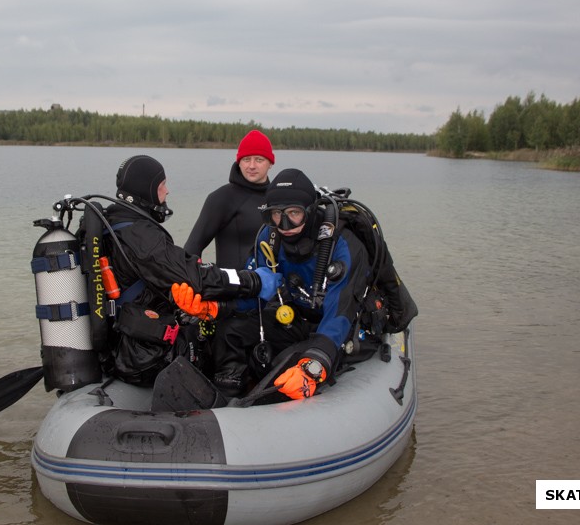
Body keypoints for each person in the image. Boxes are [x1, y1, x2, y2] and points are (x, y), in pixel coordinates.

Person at [172, 168, 417, 401]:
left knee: (290, 359)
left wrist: (315, 363)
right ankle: (228, 395)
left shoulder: (342, 245)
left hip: (347, 327)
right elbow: (259, 290)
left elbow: (339, 312)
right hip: (298, 319)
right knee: (230, 329)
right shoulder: (269, 240)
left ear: (310, 211)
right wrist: (216, 308)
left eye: (294, 213)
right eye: (277, 215)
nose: (285, 225)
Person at [94, 155, 281, 385]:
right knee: (223, 341)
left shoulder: (114, 222)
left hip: (128, 343)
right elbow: (194, 278)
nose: (167, 192)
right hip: (145, 356)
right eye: (162, 185)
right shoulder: (141, 237)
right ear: (147, 190)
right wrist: (252, 281)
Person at [184, 129, 275, 268]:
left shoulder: (277, 197)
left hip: (271, 285)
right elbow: (191, 249)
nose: (251, 166)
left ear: (270, 163)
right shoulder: (222, 198)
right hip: (232, 287)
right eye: (246, 159)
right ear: (239, 162)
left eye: (259, 160)